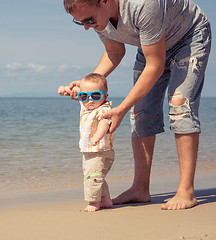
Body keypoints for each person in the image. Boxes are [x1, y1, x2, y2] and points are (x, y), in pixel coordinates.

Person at [59, 0, 211, 210]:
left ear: (105, 2)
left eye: (89, 20)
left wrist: (120, 109)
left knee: (180, 106)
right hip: (151, 45)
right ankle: (140, 189)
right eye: (80, 23)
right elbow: (114, 51)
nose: (87, 26)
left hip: (189, 37)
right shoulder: (99, 19)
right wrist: (87, 87)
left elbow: (155, 65)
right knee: (140, 113)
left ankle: (186, 191)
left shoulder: (143, 4)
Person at [59, 73, 115, 212]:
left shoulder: (103, 109)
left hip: (99, 151)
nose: (89, 100)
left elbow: (104, 123)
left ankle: (94, 202)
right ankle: (106, 200)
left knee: (92, 177)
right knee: (96, 175)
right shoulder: (86, 106)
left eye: (95, 95)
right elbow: (75, 91)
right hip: (90, 151)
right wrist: (64, 88)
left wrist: (97, 136)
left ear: (105, 96)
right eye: (84, 96)